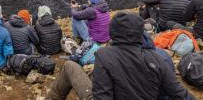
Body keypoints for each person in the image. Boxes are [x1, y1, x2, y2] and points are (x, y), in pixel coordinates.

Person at [45, 12, 196, 100]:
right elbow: (181, 94)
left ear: (114, 32)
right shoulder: (156, 57)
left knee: (70, 66)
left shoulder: (104, 55)